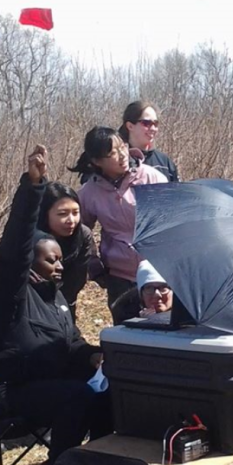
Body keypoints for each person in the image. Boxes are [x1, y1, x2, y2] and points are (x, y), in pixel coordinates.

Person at [0, 145, 112, 465]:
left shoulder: (56, 296)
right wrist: (33, 188)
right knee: (77, 396)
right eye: (50, 260)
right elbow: (14, 248)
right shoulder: (10, 293)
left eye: (59, 258)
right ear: (29, 264)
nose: (59, 265)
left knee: (110, 391)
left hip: (47, 380)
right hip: (7, 388)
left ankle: (97, 461)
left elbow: (72, 342)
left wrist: (96, 356)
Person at [69, 127, 167, 321]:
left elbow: (173, 221)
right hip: (120, 277)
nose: (122, 154)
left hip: (158, 275)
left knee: (163, 333)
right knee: (127, 335)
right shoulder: (90, 192)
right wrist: (93, 263)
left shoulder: (151, 178)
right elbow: (79, 231)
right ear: (97, 161)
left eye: (122, 146)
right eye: (112, 153)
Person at [37, 182, 95, 320]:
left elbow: (76, 280)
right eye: (62, 214)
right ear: (45, 214)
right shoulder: (30, 238)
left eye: (75, 213)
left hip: (65, 303)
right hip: (31, 304)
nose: (71, 220)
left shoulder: (83, 235)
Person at [118, 101, 179, 182]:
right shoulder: (119, 161)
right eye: (146, 123)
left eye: (156, 123)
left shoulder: (164, 162)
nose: (153, 128)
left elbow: (176, 193)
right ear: (130, 126)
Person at [111, 260, 174, 324]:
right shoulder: (125, 314)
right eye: (149, 288)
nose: (157, 294)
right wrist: (142, 324)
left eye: (163, 288)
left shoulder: (184, 309)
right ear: (141, 294)